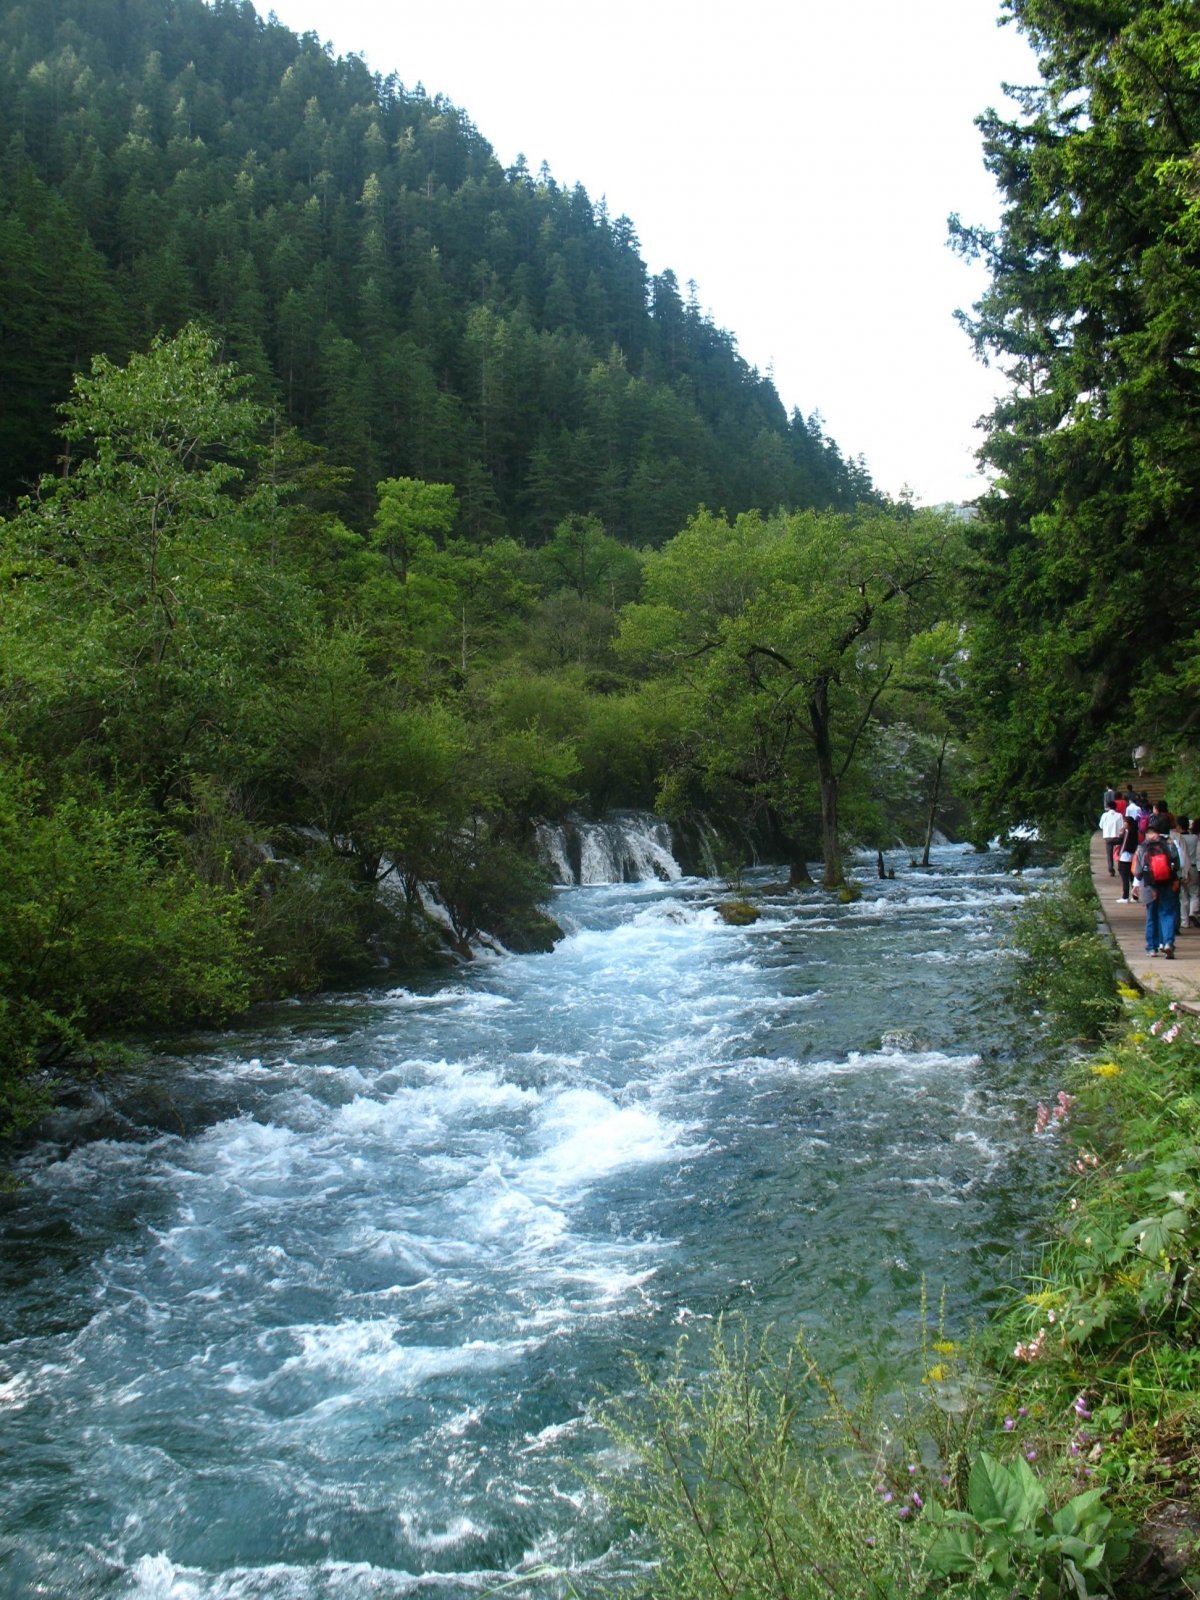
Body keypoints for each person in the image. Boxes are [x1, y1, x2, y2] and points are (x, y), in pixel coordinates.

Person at [1137, 817, 1182, 958]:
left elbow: (1138, 872)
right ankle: (1168, 943)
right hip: (1167, 883)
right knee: (1167, 913)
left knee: (1152, 916)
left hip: (1150, 886)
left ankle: (1151, 948)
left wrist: (1138, 885)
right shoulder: (1169, 844)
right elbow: (1177, 864)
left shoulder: (1143, 846)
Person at [1174, 815, 1198, 930]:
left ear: (1178, 825)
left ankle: (1185, 921)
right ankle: (1193, 912)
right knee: (1194, 892)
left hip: (1181, 868)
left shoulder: (1177, 838)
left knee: (1182, 896)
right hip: (1194, 867)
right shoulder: (1195, 837)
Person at [1116, 809, 1139, 903]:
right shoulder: (1134, 832)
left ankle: (1125, 897)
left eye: (1125, 822)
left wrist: (1120, 834)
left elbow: (1122, 842)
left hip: (1125, 856)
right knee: (1132, 877)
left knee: (1124, 877)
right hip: (1132, 856)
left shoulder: (1127, 832)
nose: (1124, 824)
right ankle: (1134, 896)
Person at [1099, 800, 1124, 876]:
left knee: (1109, 854)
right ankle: (1120, 867)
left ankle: (1111, 869)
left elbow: (1101, 826)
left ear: (1108, 807)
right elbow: (1122, 826)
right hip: (1117, 838)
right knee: (1120, 852)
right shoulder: (1119, 815)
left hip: (1108, 838)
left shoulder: (1104, 815)